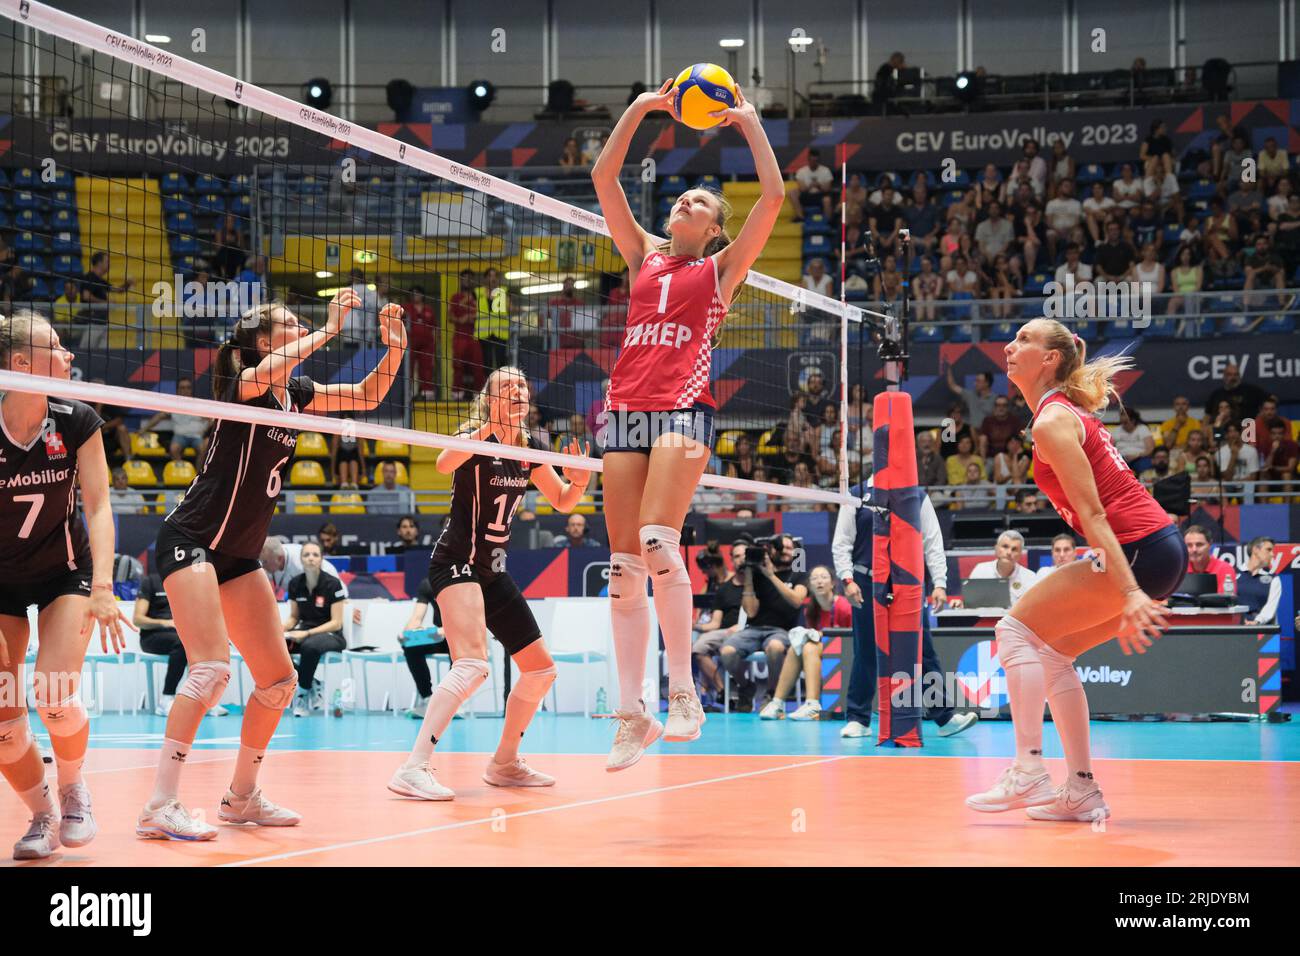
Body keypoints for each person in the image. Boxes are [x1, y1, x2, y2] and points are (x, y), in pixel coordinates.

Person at [137, 289, 407, 841]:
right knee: (211, 669)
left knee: (279, 681)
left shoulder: (296, 396)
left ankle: (241, 798)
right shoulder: (247, 386)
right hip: (191, 538)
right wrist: (331, 330)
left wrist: (395, 347)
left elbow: (366, 393)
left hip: (238, 555)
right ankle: (160, 804)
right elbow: (276, 368)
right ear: (262, 343)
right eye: (290, 324)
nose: (302, 327)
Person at [591, 77, 783, 766]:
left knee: (655, 541)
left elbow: (773, 198)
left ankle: (681, 693)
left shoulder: (722, 271)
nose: (685, 202)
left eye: (699, 202)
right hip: (625, 412)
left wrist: (750, 124)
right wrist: (642, 107)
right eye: (682, 197)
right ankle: (629, 710)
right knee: (620, 568)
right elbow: (604, 175)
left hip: (681, 411)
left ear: (713, 229)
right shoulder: (644, 255)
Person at [966, 319, 1186, 822]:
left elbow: (1094, 515)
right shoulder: (1063, 412)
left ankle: (1027, 769)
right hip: (1155, 549)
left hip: (1136, 551)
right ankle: (1082, 788)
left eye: (1024, 339)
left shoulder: (1052, 421)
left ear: (1050, 359)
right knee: (1053, 655)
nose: (1009, 345)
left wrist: (1130, 590)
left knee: (1014, 631)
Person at [387, 367, 593, 800]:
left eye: (522, 383)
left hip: (492, 571)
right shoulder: (473, 435)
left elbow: (562, 501)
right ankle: (413, 767)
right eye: (506, 386)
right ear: (490, 399)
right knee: (473, 665)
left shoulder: (533, 446)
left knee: (541, 669)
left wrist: (579, 484)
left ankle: (504, 763)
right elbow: (444, 464)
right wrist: (491, 426)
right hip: (455, 561)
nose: (518, 389)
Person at [0, 311, 131, 860]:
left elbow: (99, 506)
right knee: (4, 724)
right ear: (22, 364)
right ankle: (41, 815)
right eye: (57, 346)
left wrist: (103, 586)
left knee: (53, 696)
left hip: (64, 573)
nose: (70, 354)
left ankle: (75, 789)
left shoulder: (77, 419)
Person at [833, 474, 977, 738]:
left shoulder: (916, 496)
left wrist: (941, 584)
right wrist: (847, 578)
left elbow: (933, 542)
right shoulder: (856, 494)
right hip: (866, 580)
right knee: (865, 650)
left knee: (923, 651)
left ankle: (945, 718)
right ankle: (858, 719)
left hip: (907, 583)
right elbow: (842, 542)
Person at [720, 535, 809, 713]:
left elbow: (797, 600)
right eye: (781, 547)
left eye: (790, 548)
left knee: (775, 647)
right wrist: (749, 578)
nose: (786, 551)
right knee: (727, 652)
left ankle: (772, 693)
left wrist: (771, 575)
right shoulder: (758, 574)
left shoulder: (798, 574)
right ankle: (745, 686)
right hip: (753, 629)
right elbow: (751, 611)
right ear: (771, 551)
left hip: (782, 630)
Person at [136, 561, 230, 717]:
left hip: (181, 634)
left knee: (210, 643)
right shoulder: (151, 581)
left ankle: (205, 700)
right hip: (153, 636)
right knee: (182, 643)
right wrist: (165, 623)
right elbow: (138, 619)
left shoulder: (184, 584)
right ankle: (166, 698)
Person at [760, 566, 850, 721]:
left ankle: (812, 704)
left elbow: (852, 637)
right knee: (796, 648)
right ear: (810, 585)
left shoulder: (843, 606)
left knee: (808, 647)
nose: (819, 581)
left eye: (823, 577)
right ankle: (777, 703)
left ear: (833, 583)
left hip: (847, 653)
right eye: (814, 578)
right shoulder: (811, 609)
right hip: (823, 652)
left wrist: (822, 635)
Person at [282, 542, 347, 717]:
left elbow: (337, 622)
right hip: (304, 633)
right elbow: (294, 617)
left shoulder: (333, 584)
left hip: (332, 635)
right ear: (301, 560)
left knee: (310, 646)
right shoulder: (295, 584)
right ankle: (313, 681)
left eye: (315, 555)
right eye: (307, 555)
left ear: (321, 559)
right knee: (276, 646)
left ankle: (302, 695)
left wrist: (307, 633)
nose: (311, 558)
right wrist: (280, 629)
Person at [691, 540, 747, 708]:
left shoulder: (748, 583)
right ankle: (709, 692)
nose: (705, 573)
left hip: (742, 631)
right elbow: (709, 620)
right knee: (696, 642)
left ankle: (719, 690)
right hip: (719, 629)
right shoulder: (717, 587)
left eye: (706, 569)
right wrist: (694, 624)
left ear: (716, 566)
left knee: (702, 639)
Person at [261, 536, 346, 596]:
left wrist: (344, 602)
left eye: (265, 562)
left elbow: (332, 580)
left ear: (279, 559)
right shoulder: (271, 554)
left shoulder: (302, 562)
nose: (263, 566)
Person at [448, 269, 483, 399]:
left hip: (476, 336)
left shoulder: (479, 297)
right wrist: (461, 319)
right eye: (464, 278)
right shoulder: (455, 297)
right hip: (460, 336)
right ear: (460, 280)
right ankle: (457, 394)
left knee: (478, 367)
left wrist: (474, 317)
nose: (467, 280)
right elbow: (450, 317)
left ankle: (478, 395)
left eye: (470, 278)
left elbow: (485, 314)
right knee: (458, 365)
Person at [1237, 537, 1282, 626]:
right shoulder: (1233, 575)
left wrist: (1257, 622)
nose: (1272, 554)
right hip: (1235, 629)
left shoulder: (1273, 579)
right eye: (1268, 550)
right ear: (1255, 550)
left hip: (1263, 632)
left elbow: (1270, 607)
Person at [330, 414, 367, 489]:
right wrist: (333, 471)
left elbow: (360, 452)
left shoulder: (358, 431)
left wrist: (363, 469)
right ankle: (344, 484)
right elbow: (334, 453)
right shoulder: (338, 432)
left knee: (353, 459)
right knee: (343, 459)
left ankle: (354, 484)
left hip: (354, 459)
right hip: (341, 459)